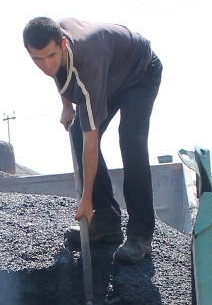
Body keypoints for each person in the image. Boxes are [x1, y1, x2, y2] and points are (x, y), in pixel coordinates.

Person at [22, 16, 164, 265]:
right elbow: (60, 74)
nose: (45, 65)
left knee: (131, 140)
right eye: (37, 59)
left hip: (140, 70)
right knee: (77, 130)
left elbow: (92, 139)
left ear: (63, 43)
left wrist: (86, 199)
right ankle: (107, 222)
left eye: (51, 56)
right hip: (111, 73)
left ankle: (141, 235)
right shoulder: (51, 39)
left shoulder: (87, 65)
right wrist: (66, 105)